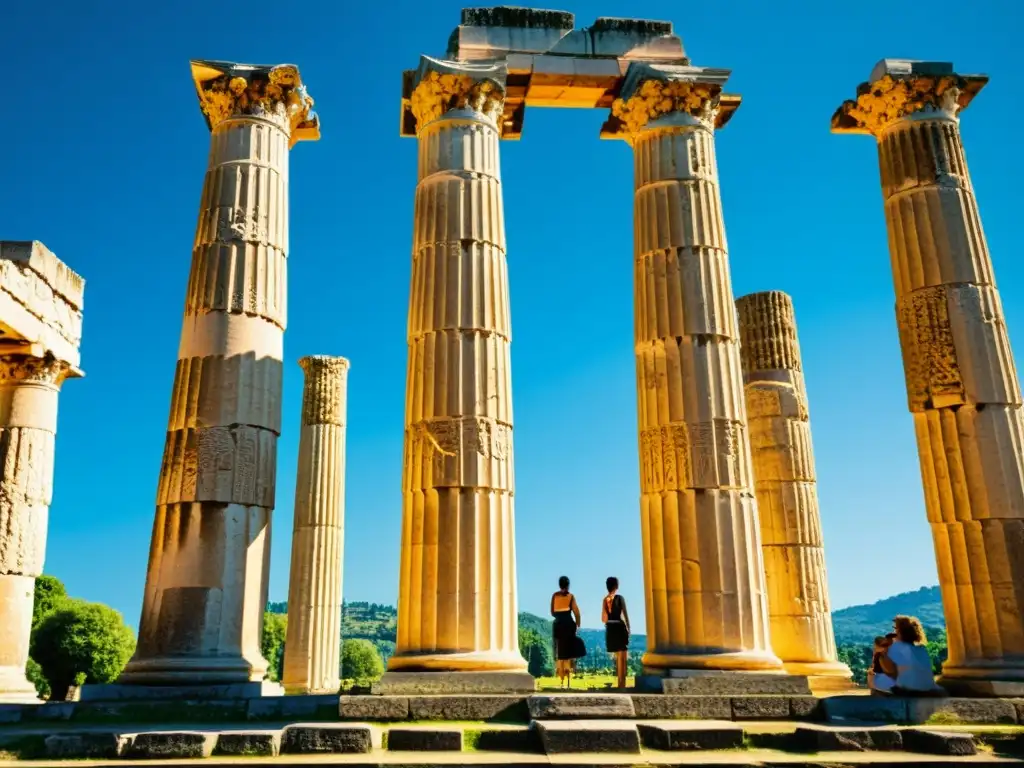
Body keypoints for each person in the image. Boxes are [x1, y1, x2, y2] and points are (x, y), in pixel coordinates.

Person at [877, 615, 942, 696]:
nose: (894, 632)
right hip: (928, 690)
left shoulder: (898, 648)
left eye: (895, 629)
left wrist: (884, 653)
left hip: (909, 692)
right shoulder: (922, 649)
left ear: (900, 632)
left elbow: (890, 672)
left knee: (877, 685)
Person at [550, 576, 582, 688]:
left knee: (560, 654)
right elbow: (577, 613)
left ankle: (561, 681)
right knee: (568, 654)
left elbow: (552, 612)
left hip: (558, 625)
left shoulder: (555, 596)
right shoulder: (571, 597)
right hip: (568, 625)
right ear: (568, 585)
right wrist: (578, 626)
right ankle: (567, 681)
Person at [602, 577, 630, 688]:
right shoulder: (620, 598)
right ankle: (622, 683)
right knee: (623, 656)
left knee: (617, 656)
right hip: (619, 626)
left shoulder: (605, 600)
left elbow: (603, 618)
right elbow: (625, 614)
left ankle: (619, 683)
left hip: (610, 627)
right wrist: (628, 627)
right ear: (616, 586)